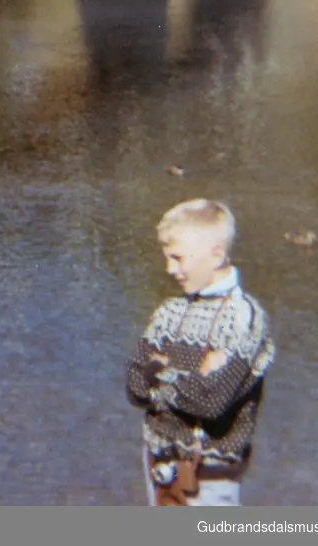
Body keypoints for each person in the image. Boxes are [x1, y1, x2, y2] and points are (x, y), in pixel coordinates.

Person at [126, 199, 275, 507]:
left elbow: (212, 400)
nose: (170, 269)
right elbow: (134, 386)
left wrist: (160, 371)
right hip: (159, 468)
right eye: (167, 258)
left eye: (178, 258)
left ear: (216, 255)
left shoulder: (245, 318)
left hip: (210, 475)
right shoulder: (168, 312)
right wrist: (193, 372)